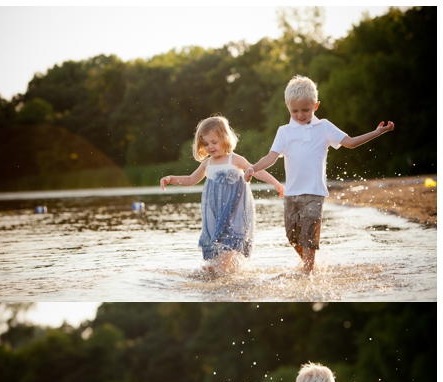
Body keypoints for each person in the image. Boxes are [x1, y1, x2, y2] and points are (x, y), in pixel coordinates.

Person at [244, 75, 395, 275]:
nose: (300, 115)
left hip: (315, 193)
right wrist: (253, 168)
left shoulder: (324, 127)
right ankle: (309, 266)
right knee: (292, 236)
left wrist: (377, 132)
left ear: (315, 106)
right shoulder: (284, 131)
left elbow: (349, 142)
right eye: (294, 110)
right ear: (288, 106)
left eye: (305, 110)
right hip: (292, 194)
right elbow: (271, 157)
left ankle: (308, 271)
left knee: (308, 235)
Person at [160, 115, 284, 273]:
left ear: (225, 139)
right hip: (216, 211)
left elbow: (256, 171)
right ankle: (223, 268)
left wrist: (275, 183)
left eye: (214, 142)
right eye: (205, 143)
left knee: (230, 236)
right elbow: (191, 179)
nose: (210, 147)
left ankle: (219, 268)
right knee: (219, 239)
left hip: (235, 209)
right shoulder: (207, 163)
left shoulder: (234, 159)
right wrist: (171, 179)